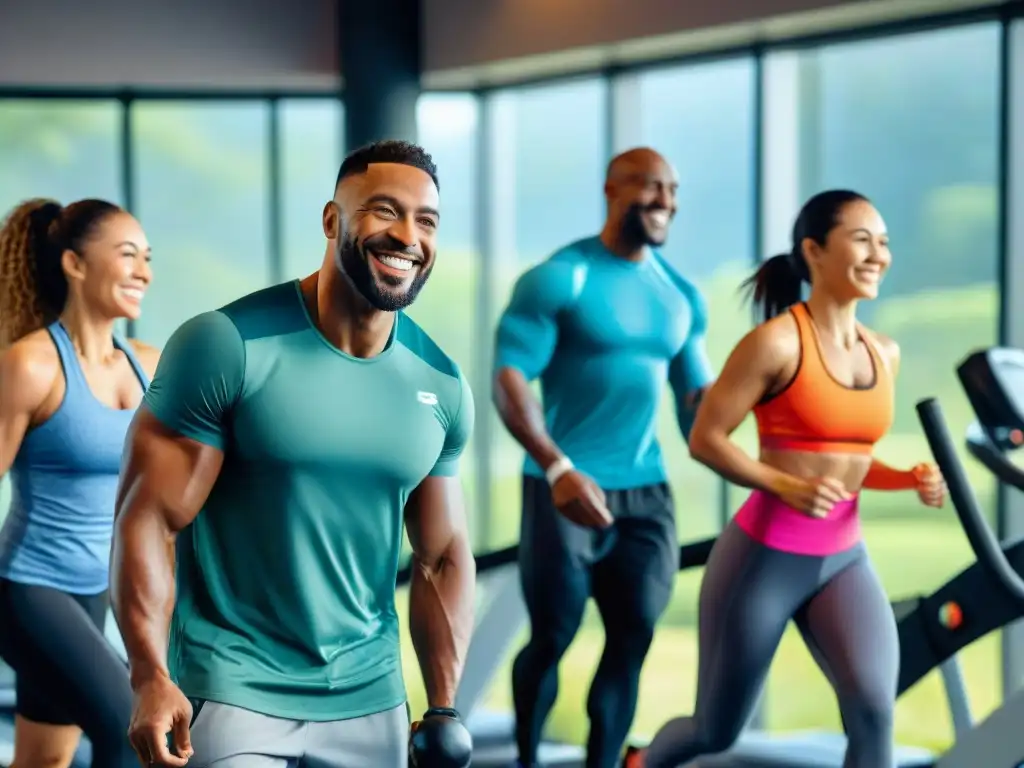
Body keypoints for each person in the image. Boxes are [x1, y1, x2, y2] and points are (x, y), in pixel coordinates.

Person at [110, 139, 477, 768]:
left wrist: (441, 705)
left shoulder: (440, 384)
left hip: (371, 701)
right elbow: (148, 518)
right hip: (232, 693)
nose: (407, 235)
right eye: (384, 211)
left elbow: (442, 555)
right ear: (333, 220)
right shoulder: (229, 345)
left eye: (427, 220)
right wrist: (148, 673)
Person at [623, 190, 948, 768]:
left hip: (844, 557)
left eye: (885, 242)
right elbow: (706, 438)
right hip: (764, 560)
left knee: (874, 710)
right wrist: (785, 485)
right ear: (814, 251)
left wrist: (909, 479)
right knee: (715, 729)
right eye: (862, 239)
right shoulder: (775, 343)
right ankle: (641, 763)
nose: (879, 254)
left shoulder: (884, 353)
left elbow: (847, 460)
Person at [493, 147, 713, 768]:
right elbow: (509, 378)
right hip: (562, 486)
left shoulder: (679, 295)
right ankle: (527, 759)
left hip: (645, 494)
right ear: (612, 189)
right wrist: (557, 466)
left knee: (632, 638)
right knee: (554, 635)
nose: (666, 200)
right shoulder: (562, 278)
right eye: (650, 186)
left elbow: (695, 406)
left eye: (673, 188)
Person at [0, 198, 158, 768]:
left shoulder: (149, 367)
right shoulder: (32, 365)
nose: (144, 270)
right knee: (129, 727)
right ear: (74, 263)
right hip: (25, 588)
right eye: (127, 254)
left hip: (98, 589)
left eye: (148, 257)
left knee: (44, 758)